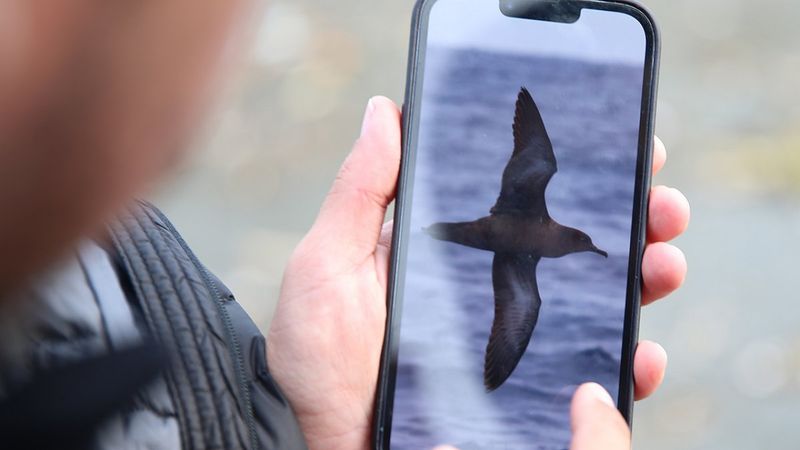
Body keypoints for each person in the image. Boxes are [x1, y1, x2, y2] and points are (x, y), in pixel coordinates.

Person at [0, 2, 690, 450]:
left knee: (522, 302)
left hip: (472, 233)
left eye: (583, 244)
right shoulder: (534, 191)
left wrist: (315, 430)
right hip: (480, 226)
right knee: (530, 235)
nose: (584, 247)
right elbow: (533, 145)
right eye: (582, 242)